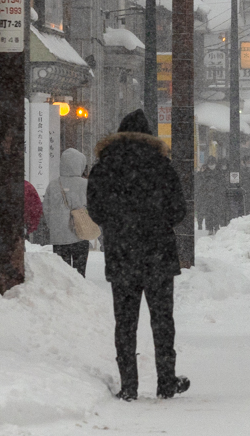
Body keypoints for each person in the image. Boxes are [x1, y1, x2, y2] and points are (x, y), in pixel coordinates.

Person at [88, 109, 189, 400]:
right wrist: (155, 220)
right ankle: (166, 381)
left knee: (125, 321)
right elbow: (178, 210)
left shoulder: (104, 167)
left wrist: (120, 224)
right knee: (162, 320)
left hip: (122, 254)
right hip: (158, 252)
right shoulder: (161, 166)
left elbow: (96, 212)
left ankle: (129, 385)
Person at [45, 147, 91, 278]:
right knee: (79, 273)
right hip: (81, 233)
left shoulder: (53, 185)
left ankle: (62, 294)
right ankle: (79, 293)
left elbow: (46, 209)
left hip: (59, 236)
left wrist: (54, 225)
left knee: (62, 274)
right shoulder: (86, 185)